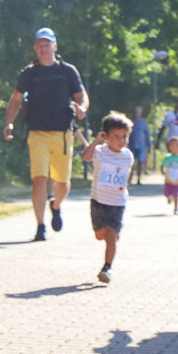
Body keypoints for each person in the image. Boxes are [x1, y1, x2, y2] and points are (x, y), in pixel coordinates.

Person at [3, 27, 89, 241]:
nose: (43, 48)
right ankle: (40, 225)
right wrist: (9, 123)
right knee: (39, 179)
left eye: (47, 44)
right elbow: (15, 99)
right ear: (36, 48)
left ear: (54, 46)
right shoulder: (29, 73)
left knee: (62, 183)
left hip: (63, 134)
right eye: (39, 44)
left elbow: (81, 96)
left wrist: (82, 108)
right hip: (37, 132)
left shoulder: (67, 70)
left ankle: (56, 206)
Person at [78, 112, 134, 284]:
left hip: (117, 203)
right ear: (106, 136)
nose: (121, 141)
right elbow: (86, 157)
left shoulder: (128, 155)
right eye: (116, 136)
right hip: (98, 201)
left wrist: (124, 188)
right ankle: (109, 235)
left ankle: (107, 268)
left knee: (111, 234)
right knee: (100, 235)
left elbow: (127, 176)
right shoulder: (99, 152)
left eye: (124, 137)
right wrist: (96, 141)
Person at [127, 105, 151, 185]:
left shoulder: (143, 122)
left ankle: (139, 179)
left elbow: (147, 134)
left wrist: (148, 145)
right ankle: (129, 178)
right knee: (131, 162)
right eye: (135, 112)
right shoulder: (130, 122)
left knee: (140, 162)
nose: (136, 113)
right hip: (131, 145)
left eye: (138, 112)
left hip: (142, 145)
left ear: (140, 113)